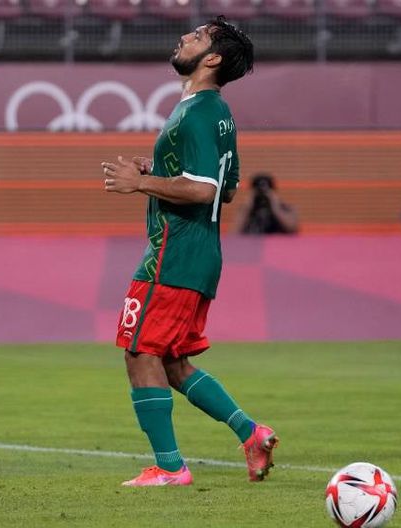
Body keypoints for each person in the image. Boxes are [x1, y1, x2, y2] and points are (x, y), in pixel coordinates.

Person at [100, 17, 277, 487]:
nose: (184, 37)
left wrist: (141, 183)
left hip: (173, 253)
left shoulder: (197, 113)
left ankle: (170, 468)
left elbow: (204, 190)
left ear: (212, 58)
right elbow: (228, 188)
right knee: (172, 362)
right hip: (199, 253)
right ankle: (251, 433)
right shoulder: (218, 112)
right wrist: (159, 170)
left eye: (197, 36)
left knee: (139, 352)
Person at [232, 172, 299, 234]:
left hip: (278, 242)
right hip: (253, 242)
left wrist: (276, 207)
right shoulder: (246, 210)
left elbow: (292, 228)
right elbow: (235, 233)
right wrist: (248, 207)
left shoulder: (285, 208)